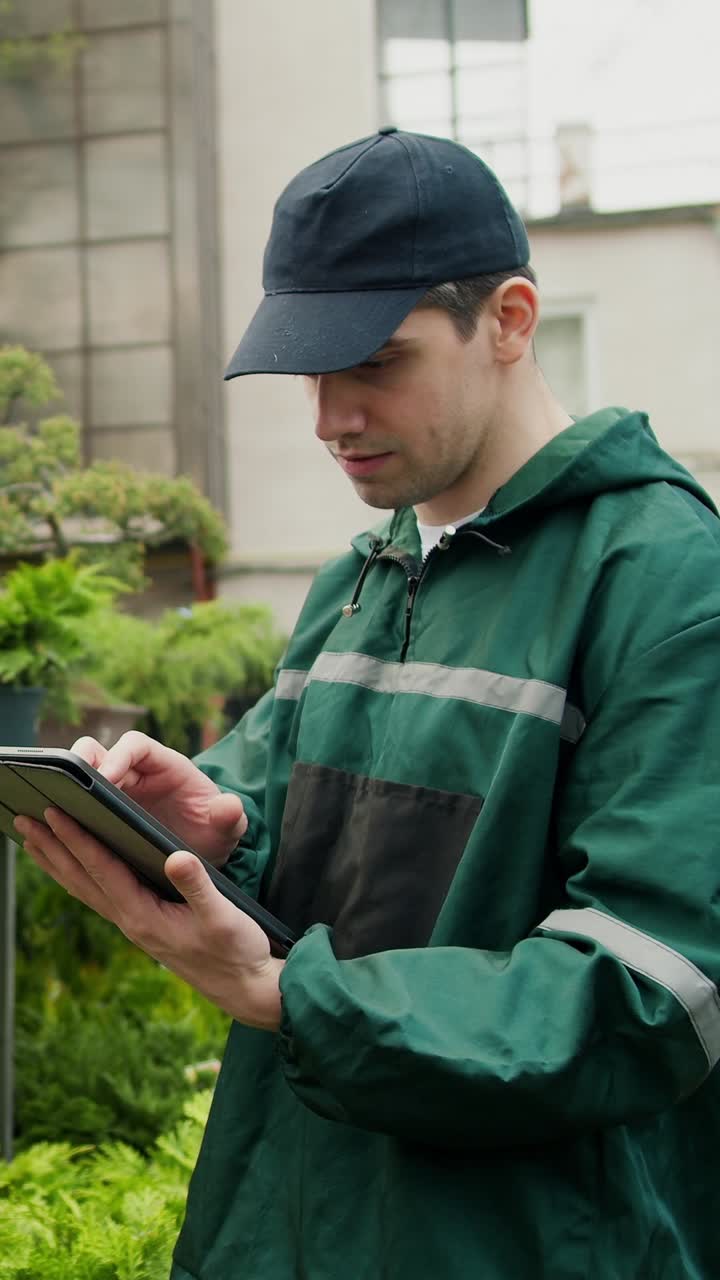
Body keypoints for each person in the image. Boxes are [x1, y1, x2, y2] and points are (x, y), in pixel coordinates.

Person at [15, 128, 720, 1279]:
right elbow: (301, 855)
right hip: (284, 1220)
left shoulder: (668, 582)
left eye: (377, 361)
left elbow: (652, 993)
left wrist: (290, 993)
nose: (330, 416)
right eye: (309, 369)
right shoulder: (362, 576)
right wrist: (216, 834)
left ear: (511, 320)